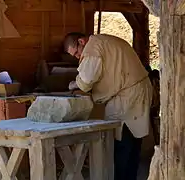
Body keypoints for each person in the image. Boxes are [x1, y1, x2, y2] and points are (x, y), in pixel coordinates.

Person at [64, 32, 153, 180]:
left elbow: (86, 80)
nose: (78, 58)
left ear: (81, 41)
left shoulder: (93, 47)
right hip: (135, 90)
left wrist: (74, 84)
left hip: (128, 95)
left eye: (76, 53)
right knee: (132, 143)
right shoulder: (103, 41)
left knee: (123, 143)